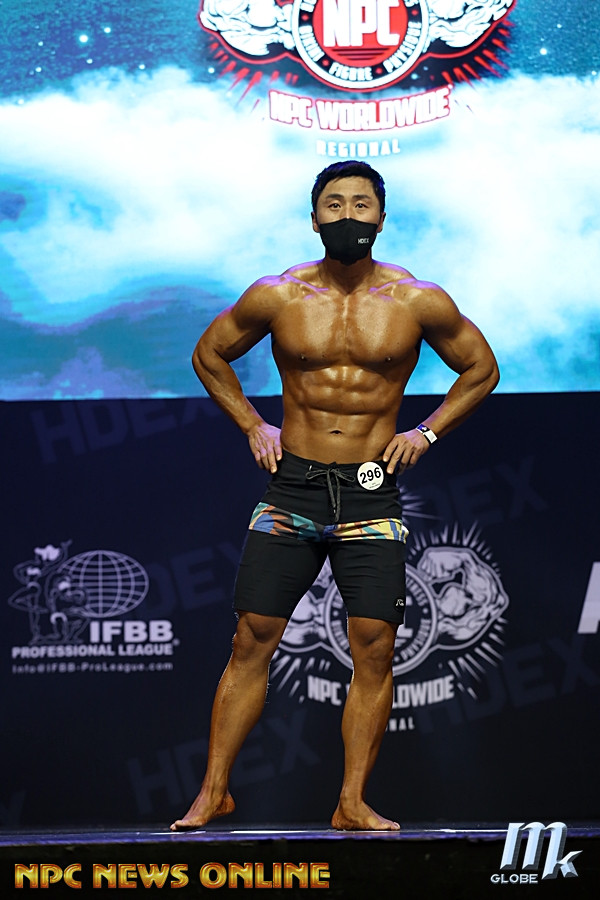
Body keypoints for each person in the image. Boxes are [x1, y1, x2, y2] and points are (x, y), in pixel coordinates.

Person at [171, 161, 499, 832]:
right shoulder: (278, 295)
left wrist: (427, 432)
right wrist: (252, 425)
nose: (349, 215)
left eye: (361, 204)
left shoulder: (418, 300)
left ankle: (351, 801)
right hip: (294, 486)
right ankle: (213, 792)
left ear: (381, 217)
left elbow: (481, 368)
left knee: (374, 644)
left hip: (370, 491)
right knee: (251, 637)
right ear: (315, 217)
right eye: (335, 204)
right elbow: (209, 354)